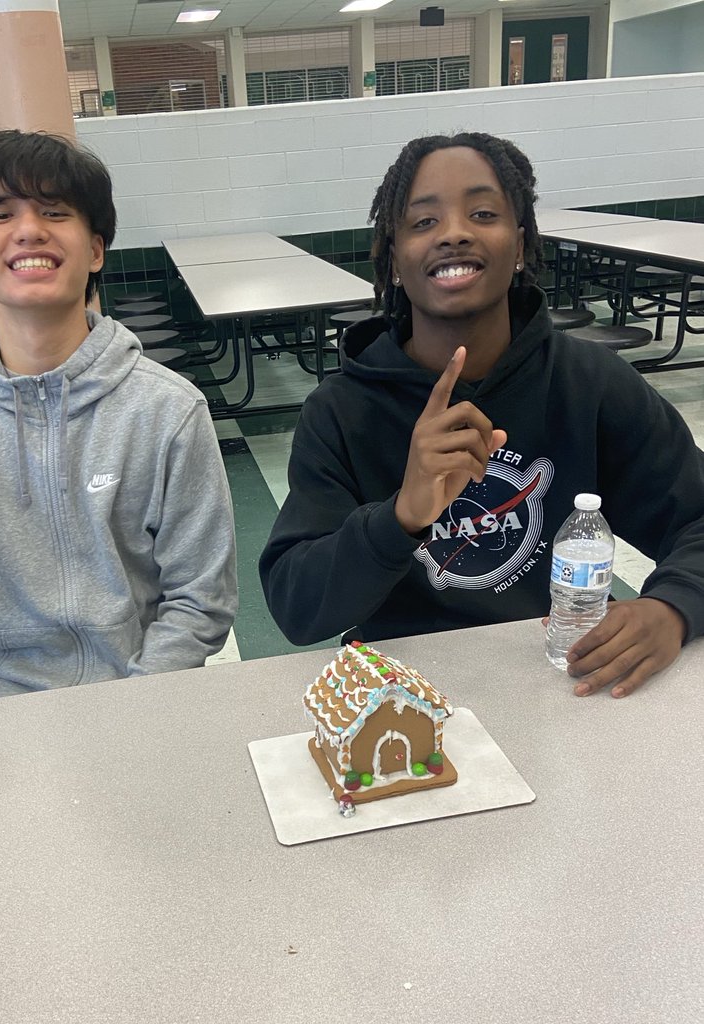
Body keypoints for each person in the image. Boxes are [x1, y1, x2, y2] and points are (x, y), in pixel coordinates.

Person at [260, 131, 704, 698]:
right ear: (394, 259)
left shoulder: (590, 383)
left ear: (520, 246)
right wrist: (400, 516)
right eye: (423, 223)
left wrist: (673, 605)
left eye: (483, 213)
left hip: (564, 674)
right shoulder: (342, 411)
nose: (453, 233)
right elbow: (298, 609)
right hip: (404, 692)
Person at [0, 130, 237, 701]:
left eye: (55, 212)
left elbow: (201, 598)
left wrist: (130, 708)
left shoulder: (167, 409)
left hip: (141, 701)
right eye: (0, 214)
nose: (30, 229)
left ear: (96, 249)